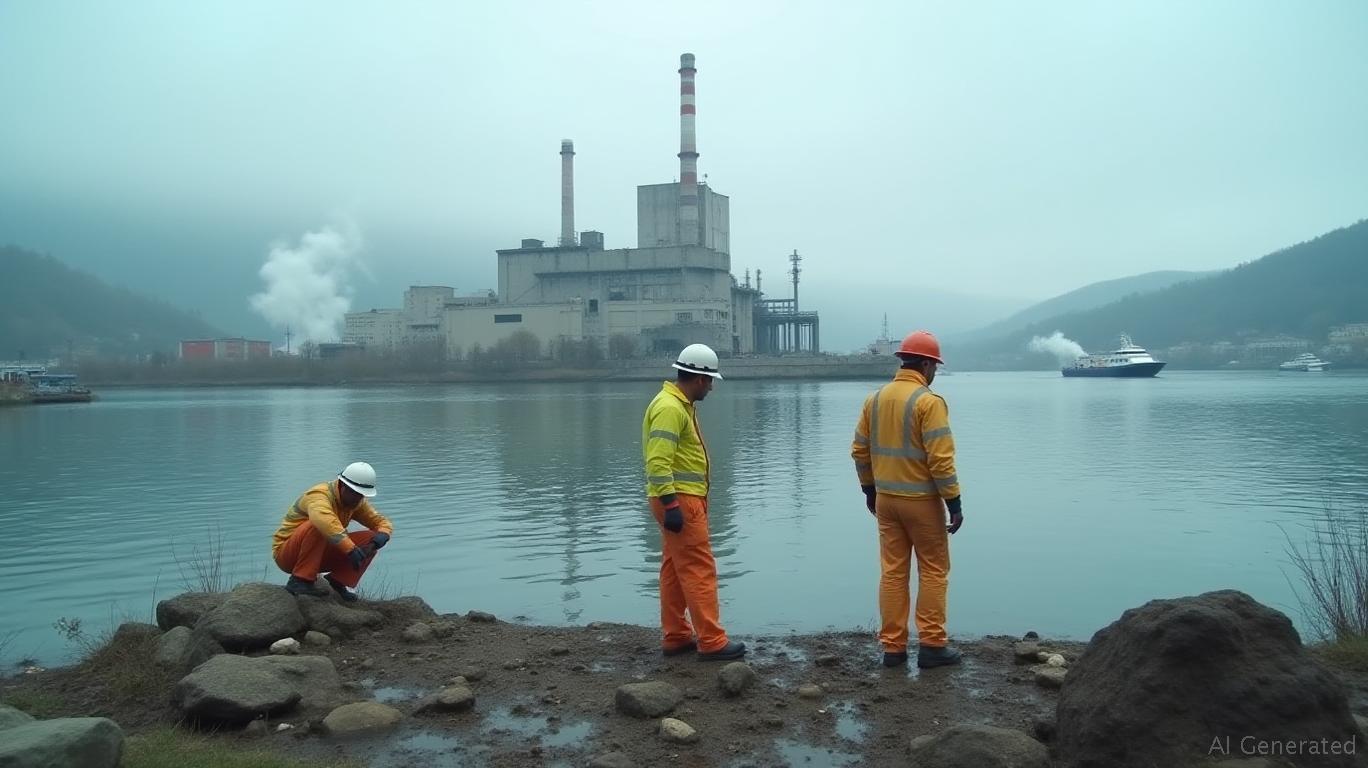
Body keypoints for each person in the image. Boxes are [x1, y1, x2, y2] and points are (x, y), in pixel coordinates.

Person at [851, 330, 964, 669]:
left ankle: (893, 648)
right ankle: (931, 645)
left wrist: (869, 490)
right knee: (932, 570)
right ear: (927, 364)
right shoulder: (929, 402)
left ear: (903, 361)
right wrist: (954, 504)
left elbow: (859, 451)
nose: (935, 373)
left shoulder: (875, 399)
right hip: (922, 502)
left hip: (886, 500)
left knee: (893, 573)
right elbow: (941, 461)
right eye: (935, 366)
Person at [641, 343, 746, 661]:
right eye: (710, 380)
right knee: (700, 569)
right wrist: (672, 505)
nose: (712, 387)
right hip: (680, 501)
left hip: (678, 500)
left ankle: (676, 636)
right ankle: (712, 641)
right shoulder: (671, 408)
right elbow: (658, 461)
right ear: (698, 379)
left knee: (674, 569)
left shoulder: (676, 405)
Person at [272, 461, 393, 601]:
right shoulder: (319, 495)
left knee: (370, 538)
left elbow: (380, 521)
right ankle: (300, 580)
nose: (357, 498)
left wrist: (380, 538)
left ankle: (337, 582)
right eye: (354, 493)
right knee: (318, 525)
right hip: (287, 555)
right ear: (342, 486)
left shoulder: (356, 503)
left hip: (317, 554)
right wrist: (351, 549)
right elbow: (325, 522)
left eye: (361, 495)